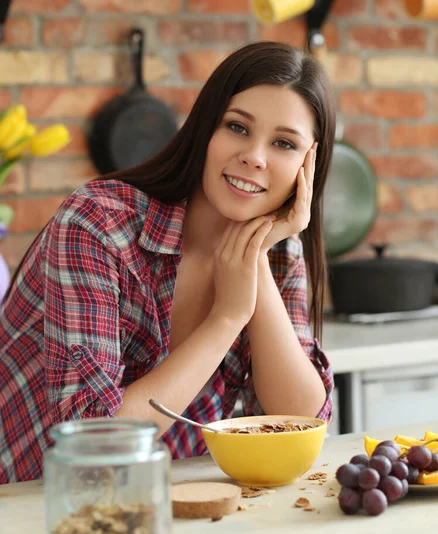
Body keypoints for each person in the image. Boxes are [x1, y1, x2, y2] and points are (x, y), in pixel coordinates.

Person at [0, 41, 336, 484]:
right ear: (204, 129)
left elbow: (296, 420)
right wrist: (228, 317)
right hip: (30, 502)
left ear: (307, 166)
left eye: (283, 143)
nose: (255, 156)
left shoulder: (279, 250)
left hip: (160, 508)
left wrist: (252, 257)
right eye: (237, 127)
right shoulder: (99, 224)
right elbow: (94, 438)